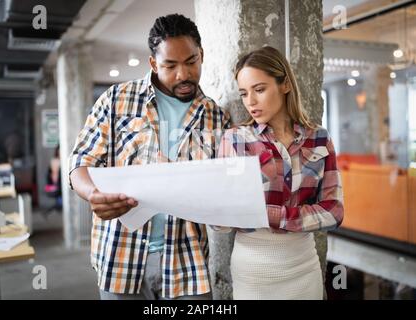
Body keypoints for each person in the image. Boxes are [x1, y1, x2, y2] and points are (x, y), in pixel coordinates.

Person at [69, 14, 230, 300]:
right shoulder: (116, 100)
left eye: (191, 62)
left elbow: (222, 190)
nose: (183, 74)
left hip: (187, 264)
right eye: (170, 65)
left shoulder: (215, 117)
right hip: (121, 257)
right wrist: (93, 193)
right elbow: (80, 162)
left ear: (201, 55)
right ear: (154, 63)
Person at [216, 46, 344, 300]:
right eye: (244, 93)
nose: (250, 102)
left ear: (284, 84)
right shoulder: (235, 140)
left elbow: (334, 212)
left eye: (259, 89)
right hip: (253, 271)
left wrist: (268, 215)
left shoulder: (318, 137)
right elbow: (222, 221)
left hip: (304, 268)